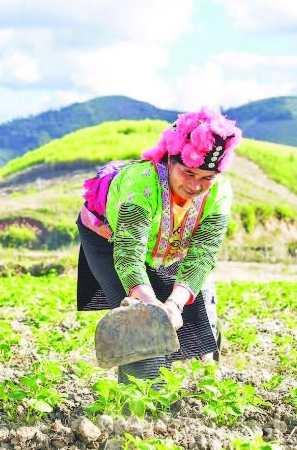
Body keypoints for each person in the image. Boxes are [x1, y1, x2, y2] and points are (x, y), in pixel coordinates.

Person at [76, 107, 241, 382]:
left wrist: (174, 305)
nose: (195, 185)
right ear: (169, 161)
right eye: (187, 172)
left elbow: (202, 256)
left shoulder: (219, 193)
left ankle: (192, 398)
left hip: (170, 244)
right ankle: (140, 407)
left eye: (206, 178)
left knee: (197, 321)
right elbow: (129, 256)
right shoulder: (141, 186)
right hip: (111, 241)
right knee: (143, 323)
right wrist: (154, 308)